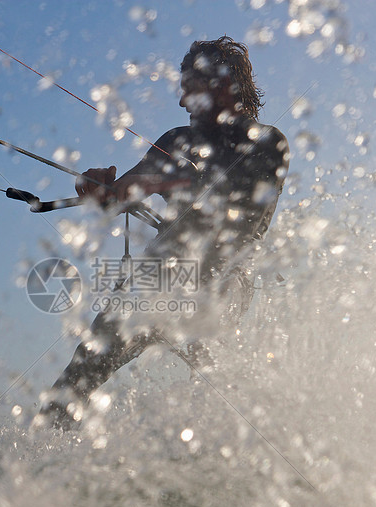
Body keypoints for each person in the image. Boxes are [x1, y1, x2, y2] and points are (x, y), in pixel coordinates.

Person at [35, 36, 289, 430]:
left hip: (222, 283)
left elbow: (242, 216)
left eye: (191, 89)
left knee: (216, 399)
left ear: (224, 84)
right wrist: (102, 191)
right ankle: (39, 459)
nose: (182, 101)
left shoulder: (269, 143)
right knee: (75, 383)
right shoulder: (176, 140)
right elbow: (136, 183)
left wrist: (171, 181)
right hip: (156, 279)